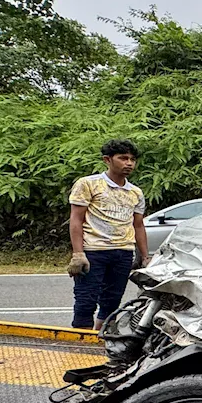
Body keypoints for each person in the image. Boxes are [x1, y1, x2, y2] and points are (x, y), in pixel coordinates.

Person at [68, 139, 149, 330]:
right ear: (107, 160)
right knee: (85, 300)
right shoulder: (88, 184)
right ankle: (79, 343)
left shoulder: (135, 193)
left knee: (112, 302)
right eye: (123, 158)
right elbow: (76, 220)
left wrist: (145, 256)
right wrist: (78, 254)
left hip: (123, 252)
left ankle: (100, 337)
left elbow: (138, 225)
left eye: (132, 159)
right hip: (94, 250)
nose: (129, 163)